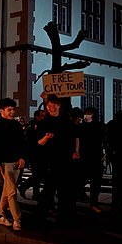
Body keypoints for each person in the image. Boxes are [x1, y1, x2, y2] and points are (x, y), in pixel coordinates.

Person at [35, 94, 80, 225]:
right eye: (49, 106)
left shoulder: (67, 122)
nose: (51, 108)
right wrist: (46, 138)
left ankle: (64, 217)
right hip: (50, 161)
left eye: (54, 105)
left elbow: (75, 137)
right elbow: (38, 143)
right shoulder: (43, 123)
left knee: (65, 192)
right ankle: (40, 218)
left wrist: (76, 151)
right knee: (48, 191)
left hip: (66, 161)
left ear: (59, 106)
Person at [0, 98, 26, 231]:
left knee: (7, 190)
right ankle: (17, 218)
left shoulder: (16, 125)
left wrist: (22, 157)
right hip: (4, 163)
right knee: (11, 191)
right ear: (2, 111)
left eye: (13, 109)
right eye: (9, 109)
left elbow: (22, 142)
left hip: (15, 162)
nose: (12, 112)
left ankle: (0, 215)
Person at [78, 107, 106, 214]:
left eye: (89, 113)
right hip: (83, 157)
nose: (87, 115)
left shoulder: (99, 126)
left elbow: (103, 139)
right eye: (85, 113)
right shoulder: (81, 127)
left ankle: (94, 203)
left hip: (95, 157)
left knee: (96, 184)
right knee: (80, 180)